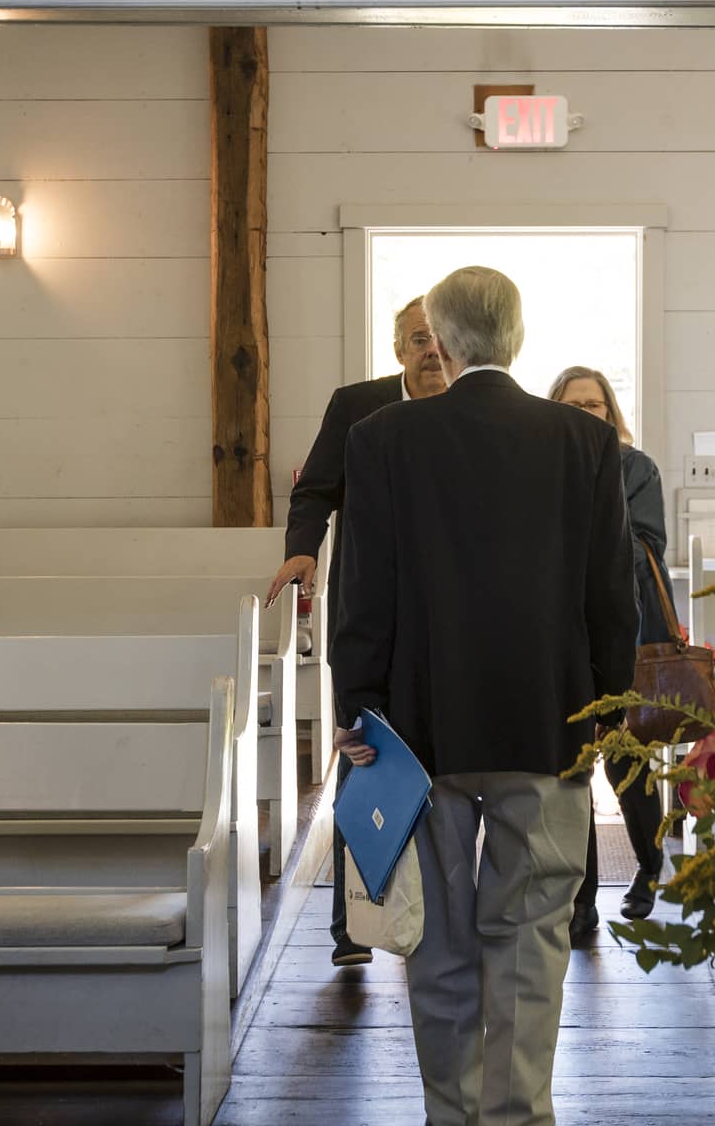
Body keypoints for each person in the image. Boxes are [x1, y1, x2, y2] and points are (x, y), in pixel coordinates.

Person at [332, 266, 638, 1126]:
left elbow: (366, 589)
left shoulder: (386, 438)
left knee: (435, 939)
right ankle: (519, 1112)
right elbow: (612, 596)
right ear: (516, 336)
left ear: (444, 338)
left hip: (419, 732)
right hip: (547, 725)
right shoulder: (583, 444)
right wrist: (605, 712)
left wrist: (360, 708)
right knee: (534, 939)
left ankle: (450, 1112)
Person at [266, 296, 446, 968]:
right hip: (369, 614)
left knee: (442, 767)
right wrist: (303, 546)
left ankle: (436, 914)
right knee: (366, 758)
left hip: (448, 616)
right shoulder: (356, 406)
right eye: (418, 338)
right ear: (399, 348)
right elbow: (315, 489)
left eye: (441, 337)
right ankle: (351, 926)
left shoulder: (469, 414)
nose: (431, 349)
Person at [548, 366, 669, 942]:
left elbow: (647, 544)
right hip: (564, 634)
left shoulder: (635, 466)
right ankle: (582, 900)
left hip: (627, 630)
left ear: (610, 411)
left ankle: (649, 865)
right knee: (574, 771)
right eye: (574, 404)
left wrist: (588, 531)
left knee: (628, 761)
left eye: (594, 404)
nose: (585, 413)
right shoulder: (544, 466)